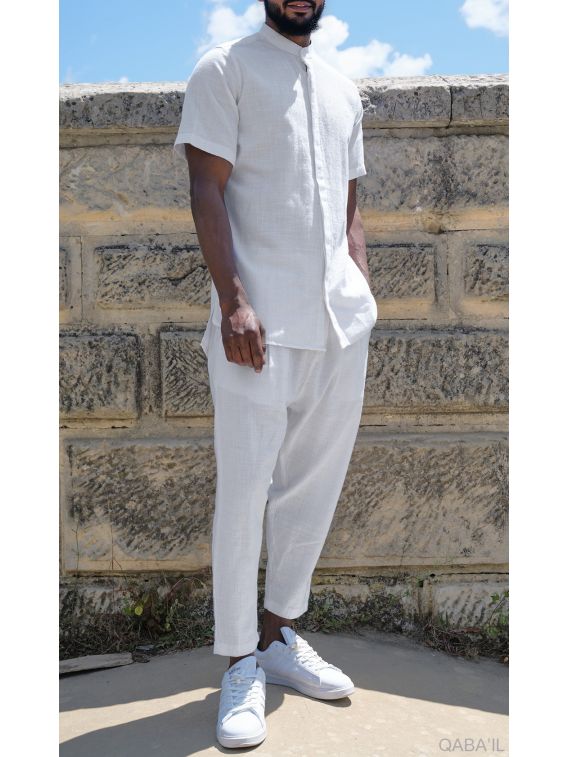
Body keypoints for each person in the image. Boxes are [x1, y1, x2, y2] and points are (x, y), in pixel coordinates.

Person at [173, 0, 377, 748]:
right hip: (255, 327)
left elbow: (348, 206)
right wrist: (234, 302)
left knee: (312, 491)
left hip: (337, 326)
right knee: (244, 494)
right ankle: (238, 663)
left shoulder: (343, 88)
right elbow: (207, 187)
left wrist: (362, 290)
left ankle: (278, 636)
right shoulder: (224, 69)